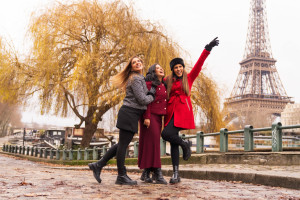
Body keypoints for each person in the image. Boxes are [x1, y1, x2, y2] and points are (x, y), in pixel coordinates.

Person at [88, 56, 159, 185]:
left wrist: (150, 91)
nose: (137, 63)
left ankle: (98, 165)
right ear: (131, 67)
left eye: (139, 61)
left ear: (142, 64)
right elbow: (142, 99)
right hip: (129, 113)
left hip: (131, 114)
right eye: (134, 62)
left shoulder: (139, 78)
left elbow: (143, 96)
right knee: (123, 146)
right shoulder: (135, 79)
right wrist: (152, 94)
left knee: (121, 144)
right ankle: (121, 175)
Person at [161, 37, 219, 184]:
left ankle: (185, 144)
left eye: (180, 66)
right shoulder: (168, 80)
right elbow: (156, 80)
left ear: (183, 67)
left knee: (166, 134)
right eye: (176, 67)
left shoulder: (189, 77)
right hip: (170, 113)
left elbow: (199, 65)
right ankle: (176, 174)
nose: (179, 69)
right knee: (173, 142)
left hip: (182, 112)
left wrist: (207, 49)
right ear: (173, 70)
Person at [138, 64, 167, 184]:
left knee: (151, 145)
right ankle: (158, 173)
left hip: (158, 117)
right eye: (158, 67)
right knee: (154, 144)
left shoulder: (164, 84)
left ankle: (146, 172)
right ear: (153, 71)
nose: (161, 69)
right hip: (149, 116)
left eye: (162, 67)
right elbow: (147, 102)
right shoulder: (150, 84)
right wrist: (147, 117)